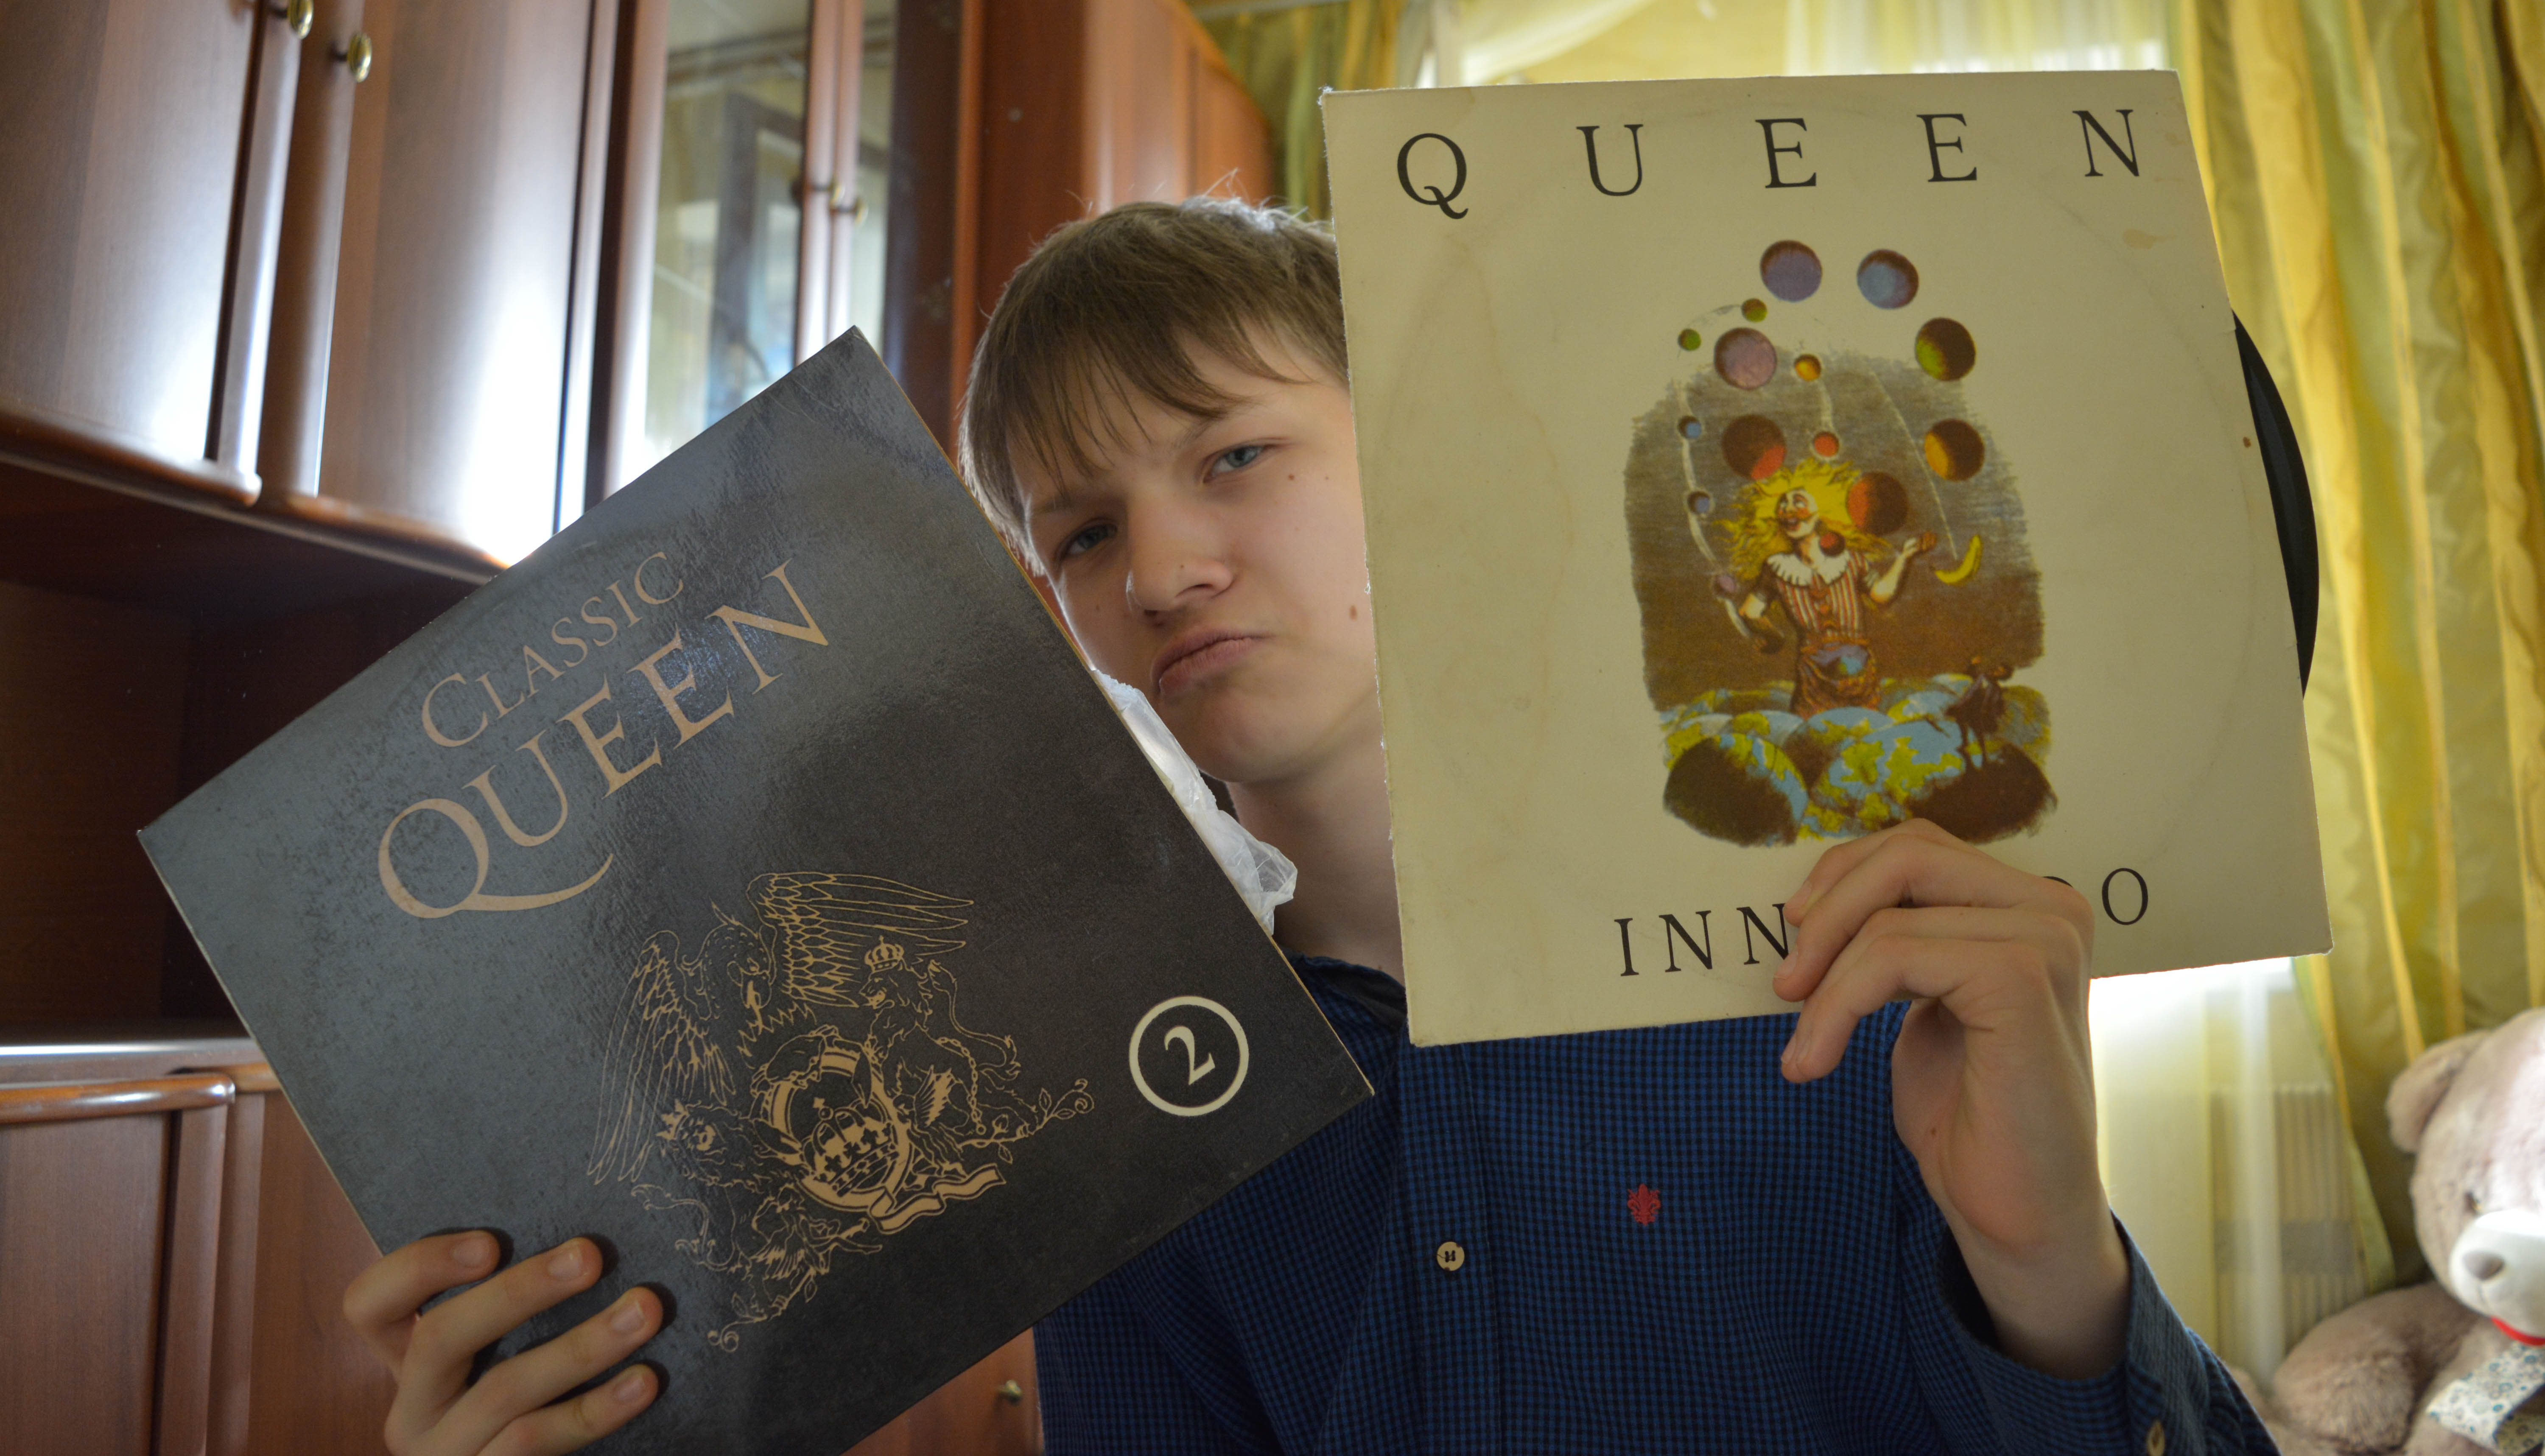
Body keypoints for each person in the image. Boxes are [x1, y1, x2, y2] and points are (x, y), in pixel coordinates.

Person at [342, 198, 2271, 1455]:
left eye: (1236, 456)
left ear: (1429, 457)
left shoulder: (1833, 957)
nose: (1161, 566)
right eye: (1078, 533)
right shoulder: (1116, 1116)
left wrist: (2055, 1274)